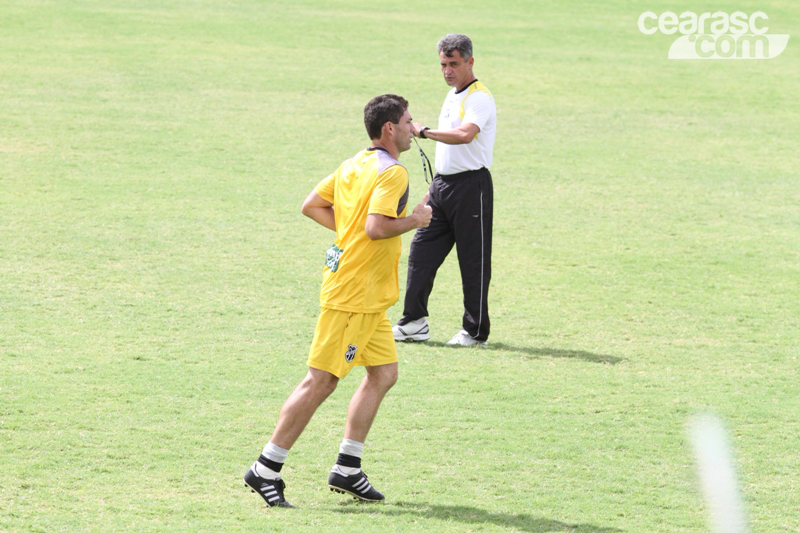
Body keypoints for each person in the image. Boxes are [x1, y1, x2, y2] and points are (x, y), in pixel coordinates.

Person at [243, 94, 432, 508]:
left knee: (383, 374)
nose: (412, 127)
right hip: (354, 295)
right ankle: (265, 468)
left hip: (368, 297)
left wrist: (347, 234)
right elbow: (378, 228)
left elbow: (312, 206)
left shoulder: (352, 164)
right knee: (321, 381)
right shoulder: (393, 172)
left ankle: (347, 468)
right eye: (408, 121)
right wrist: (415, 221)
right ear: (389, 129)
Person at [392, 34, 497, 346]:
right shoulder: (453, 94)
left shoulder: (478, 97)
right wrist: (433, 189)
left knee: (473, 260)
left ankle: (475, 332)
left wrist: (423, 132)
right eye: (443, 64)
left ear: (470, 62)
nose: (448, 70)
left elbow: (465, 136)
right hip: (444, 186)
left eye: (453, 64)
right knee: (421, 251)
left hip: (471, 187)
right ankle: (414, 322)